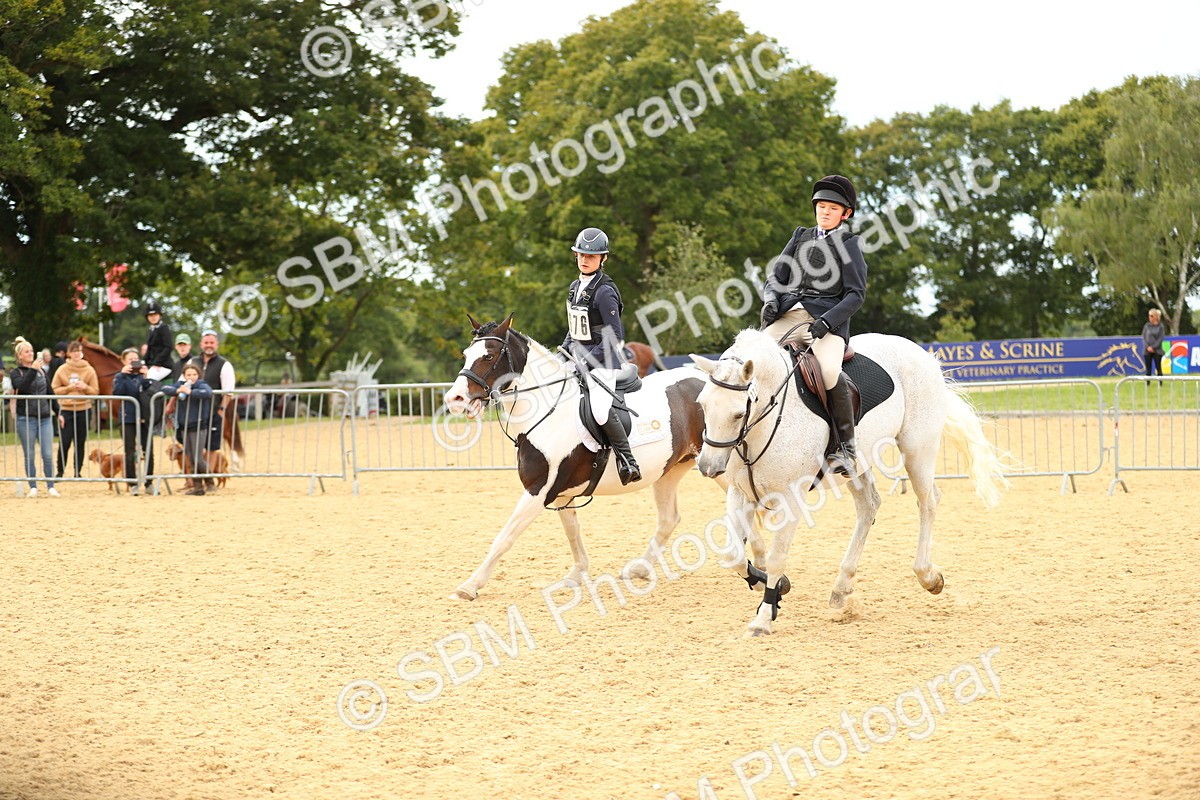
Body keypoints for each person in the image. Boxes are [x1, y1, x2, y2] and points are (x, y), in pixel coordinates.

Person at [759, 174, 868, 476]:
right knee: (752, 357)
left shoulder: (850, 244)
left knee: (830, 371)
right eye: (821, 206)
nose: (825, 211)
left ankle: (846, 448)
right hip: (790, 316)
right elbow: (776, 277)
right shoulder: (800, 235)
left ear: (845, 214)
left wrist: (828, 322)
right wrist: (770, 301)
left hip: (827, 324)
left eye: (833, 208)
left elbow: (856, 295)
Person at [559, 227, 641, 484]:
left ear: (602, 259)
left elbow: (614, 337)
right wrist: (562, 355)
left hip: (603, 361)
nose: (584, 260)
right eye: (581, 255)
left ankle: (628, 461)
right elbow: (574, 329)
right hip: (578, 359)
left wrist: (586, 361)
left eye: (591, 257)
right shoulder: (575, 287)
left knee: (600, 410)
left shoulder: (605, 291)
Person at [9, 337, 58, 497]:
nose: (30, 354)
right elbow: (22, 388)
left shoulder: (42, 371)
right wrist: (33, 370)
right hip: (26, 418)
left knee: (48, 453)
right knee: (29, 454)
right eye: (27, 351)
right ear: (20, 356)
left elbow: (49, 392)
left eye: (31, 351)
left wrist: (59, 412)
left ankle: (50, 485)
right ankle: (33, 486)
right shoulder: (16, 372)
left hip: (44, 417)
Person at [161, 362, 215, 495]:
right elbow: (165, 388)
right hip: (185, 426)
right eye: (188, 374)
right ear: (184, 376)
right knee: (190, 458)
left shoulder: (201, 385)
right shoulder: (181, 385)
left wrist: (191, 392)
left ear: (198, 375)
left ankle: (210, 481)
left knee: (198, 458)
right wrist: (178, 390)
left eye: (194, 374)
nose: (191, 377)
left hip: (198, 426)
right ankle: (198, 487)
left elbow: (207, 393)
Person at [51, 341, 100, 478]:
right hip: (66, 409)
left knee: (80, 442)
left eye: (79, 351)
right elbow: (54, 389)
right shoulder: (62, 370)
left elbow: (95, 391)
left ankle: (77, 472)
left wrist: (85, 387)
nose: (77, 353)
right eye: (74, 351)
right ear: (69, 353)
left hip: (84, 409)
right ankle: (60, 471)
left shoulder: (89, 370)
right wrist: (68, 388)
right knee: (65, 441)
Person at [190, 330, 236, 467]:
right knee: (193, 446)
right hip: (193, 412)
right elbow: (183, 382)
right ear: (201, 344)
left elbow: (228, 391)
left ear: (217, 345)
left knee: (212, 447)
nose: (208, 345)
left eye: (211, 343)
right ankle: (194, 480)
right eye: (206, 342)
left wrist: (221, 410)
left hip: (213, 411)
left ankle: (208, 478)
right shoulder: (193, 361)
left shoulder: (224, 364)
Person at [113, 347, 155, 495]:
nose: (133, 362)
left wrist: (146, 378)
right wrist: (123, 375)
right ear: (124, 361)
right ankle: (132, 483)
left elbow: (152, 392)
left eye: (135, 359)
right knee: (130, 451)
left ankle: (149, 482)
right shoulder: (119, 376)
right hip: (128, 417)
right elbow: (117, 393)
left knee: (148, 449)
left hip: (144, 417)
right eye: (130, 359)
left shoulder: (145, 375)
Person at [141, 302, 175, 381]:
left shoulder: (164, 328)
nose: (153, 317)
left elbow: (168, 347)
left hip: (163, 365)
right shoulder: (151, 329)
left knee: (147, 380)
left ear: (160, 315)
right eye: (150, 315)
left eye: (155, 315)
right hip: (154, 364)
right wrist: (143, 361)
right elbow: (149, 349)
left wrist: (157, 362)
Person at [1142, 308, 1166, 385]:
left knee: (1158, 367)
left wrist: (1153, 347)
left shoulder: (1161, 327)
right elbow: (1144, 337)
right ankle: (1147, 383)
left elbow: (1160, 338)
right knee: (1148, 368)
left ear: (1156, 316)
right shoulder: (1146, 326)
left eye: (1151, 316)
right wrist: (1147, 347)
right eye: (1149, 316)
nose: (1150, 317)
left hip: (1157, 350)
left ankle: (1160, 383)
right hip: (1147, 350)